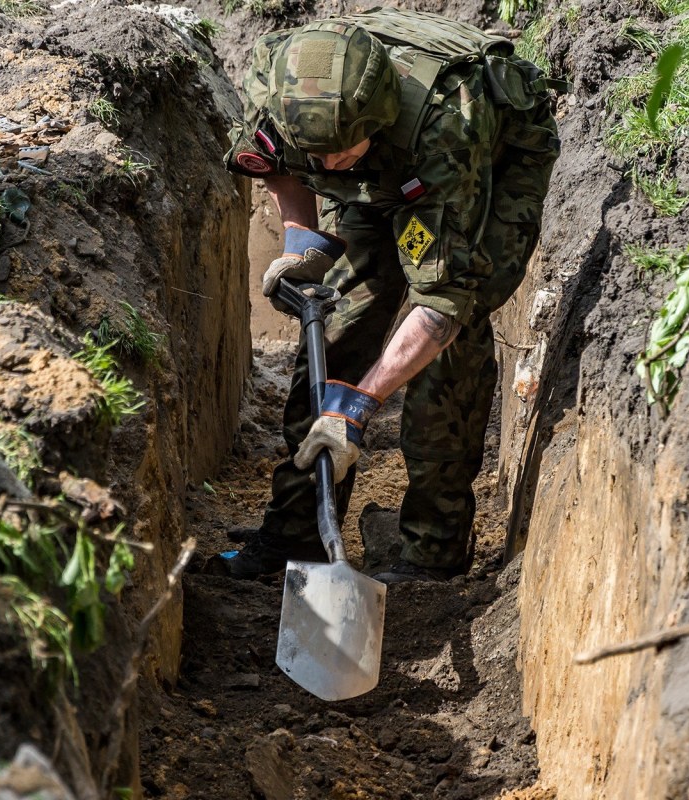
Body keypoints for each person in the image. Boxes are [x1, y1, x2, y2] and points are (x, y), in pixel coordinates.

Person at [218, 9, 561, 583]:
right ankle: (297, 532)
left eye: (338, 152)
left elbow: (442, 303)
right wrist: (305, 239)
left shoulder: (447, 126)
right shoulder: (276, 91)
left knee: (453, 344)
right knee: (331, 331)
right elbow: (276, 165)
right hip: (381, 171)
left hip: (486, 171)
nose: (325, 166)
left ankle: (434, 546)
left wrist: (358, 407)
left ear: (374, 123)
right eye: (317, 153)